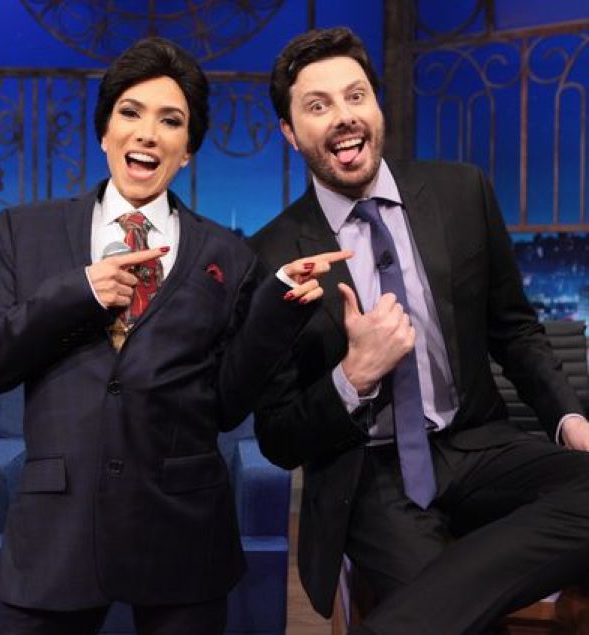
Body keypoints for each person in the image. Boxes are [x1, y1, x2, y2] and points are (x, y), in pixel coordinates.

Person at [0, 36, 350, 634]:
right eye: (130, 112)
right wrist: (80, 293)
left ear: (186, 151)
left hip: (183, 532)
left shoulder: (227, 254)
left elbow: (225, 403)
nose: (147, 133)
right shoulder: (24, 231)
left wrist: (276, 308)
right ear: (104, 132)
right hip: (54, 537)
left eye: (171, 121)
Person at [250, 26, 589, 635]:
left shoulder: (461, 192)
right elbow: (277, 437)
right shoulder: (270, 254)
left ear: (377, 107)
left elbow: (515, 331)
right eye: (318, 106)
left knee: (451, 606)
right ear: (289, 132)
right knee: (467, 619)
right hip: (370, 474)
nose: (344, 116)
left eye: (356, 96)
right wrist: (352, 377)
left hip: (479, 444)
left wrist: (569, 420)